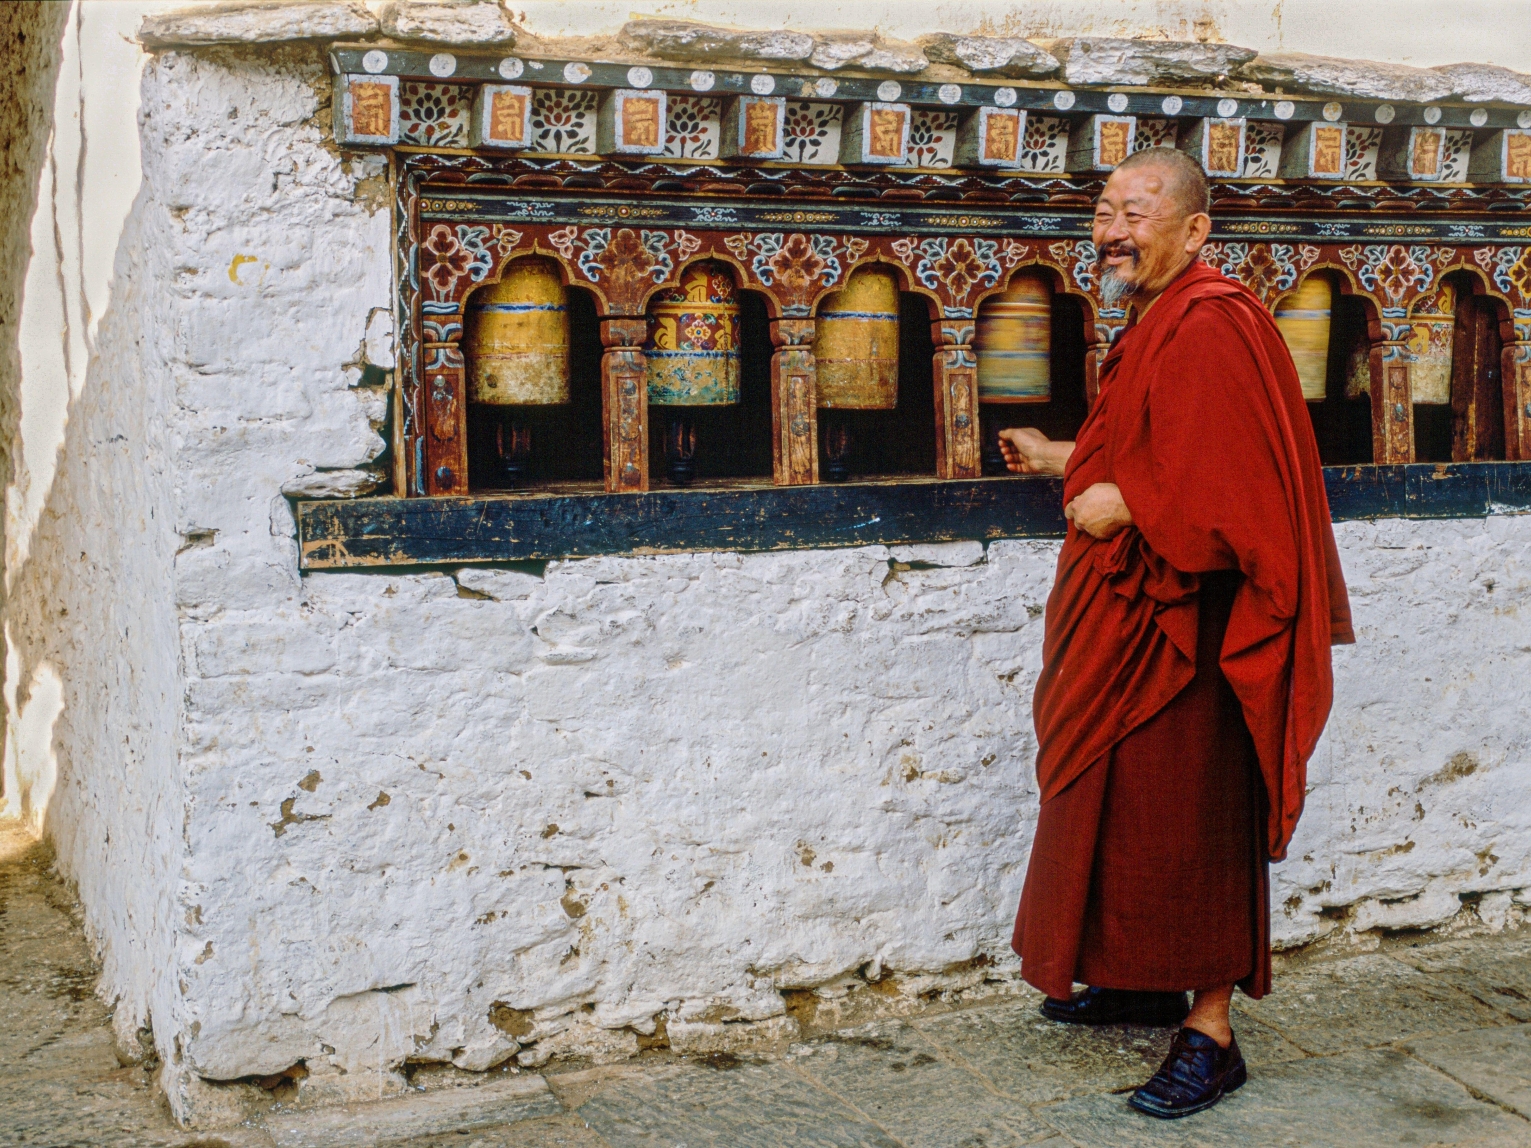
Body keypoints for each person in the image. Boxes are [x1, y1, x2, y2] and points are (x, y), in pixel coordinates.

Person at [999, 147, 1354, 1119]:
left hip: (1187, 636)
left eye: (1136, 211)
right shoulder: (1159, 324)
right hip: (1128, 618)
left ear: (1194, 229)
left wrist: (1132, 505)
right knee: (1116, 809)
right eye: (1104, 210)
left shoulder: (1212, 324)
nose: (1112, 228)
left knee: (1187, 825)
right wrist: (1064, 457)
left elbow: (1235, 499)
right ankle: (1139, 974)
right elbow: (1154, 449)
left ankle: (1210, 1031)